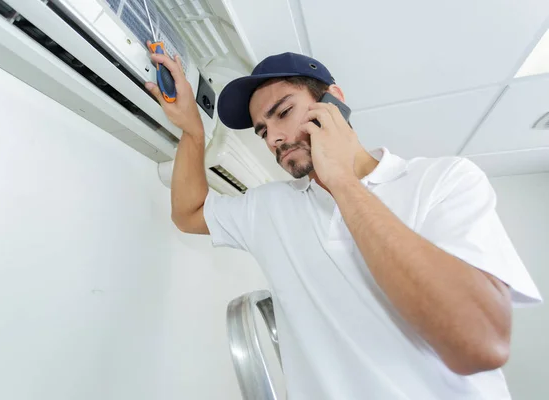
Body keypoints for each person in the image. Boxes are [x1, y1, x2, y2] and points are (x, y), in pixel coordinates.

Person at [145, 50, 542, 399]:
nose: (275, 139)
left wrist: (343, 183)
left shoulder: (443, 181)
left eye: (283, 112)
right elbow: (189, 213)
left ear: (333, 100)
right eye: (263, 131)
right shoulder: (271, 206)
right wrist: (193, 131)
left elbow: (480, 342)